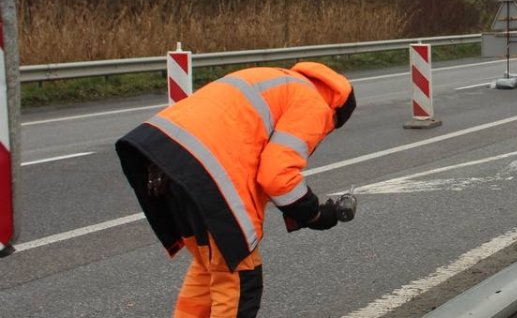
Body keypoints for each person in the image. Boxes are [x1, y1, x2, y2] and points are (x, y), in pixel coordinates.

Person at [115, 62, 357, 318]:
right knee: (240, 279)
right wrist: (314, 214)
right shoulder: (314, 105)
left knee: (210, 269)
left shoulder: (278, 80)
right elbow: (277, 174)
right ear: (336, 113)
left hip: (162, 164)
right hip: (205, 176)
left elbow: (251, 153)